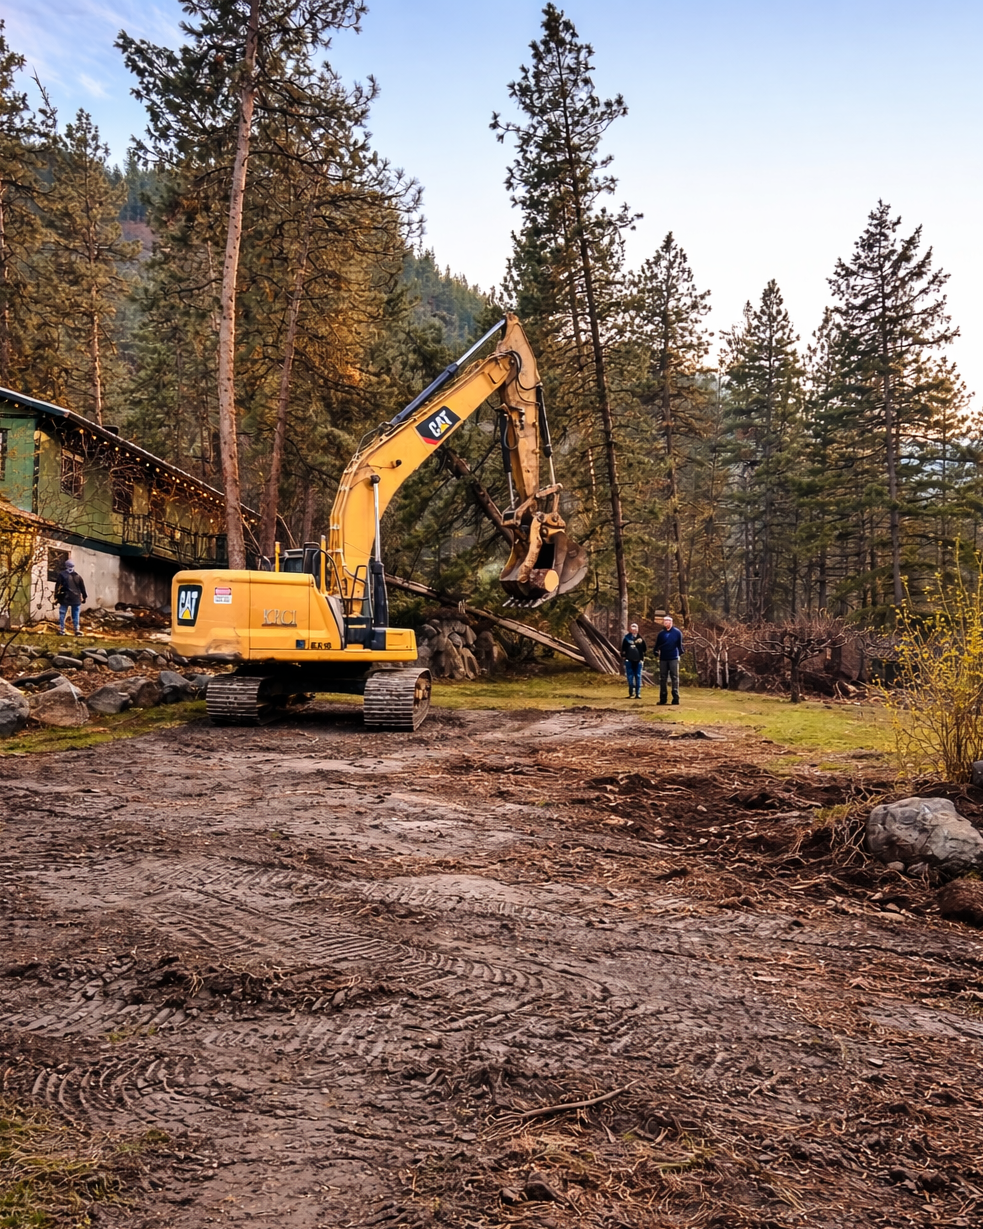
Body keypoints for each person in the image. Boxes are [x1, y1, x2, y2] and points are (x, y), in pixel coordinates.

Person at [654, 614, 683, 705]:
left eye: (668, 621)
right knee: (663, 678)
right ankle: (663, 698)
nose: (666, 623)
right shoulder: (661, 634)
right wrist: (655, 651)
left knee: (674, 677)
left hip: (673, 657)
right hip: (663, 658)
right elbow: (657, 645)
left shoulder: (677, 632)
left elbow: (680, 645)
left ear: (671, 622)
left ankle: (675, 697)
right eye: (665, 621)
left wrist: (680, 654)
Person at [54, 559, 87, 636]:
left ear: (66, 565)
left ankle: (62, 630)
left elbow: (57, 586)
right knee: (75, 614)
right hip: (76, 598)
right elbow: (83, 588)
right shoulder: (78, 576)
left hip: (65, 597)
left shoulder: (62, 575)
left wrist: (56, 596)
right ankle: (76, 630)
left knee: (62, 613)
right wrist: (84, 597)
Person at [621, 621, 647, 699]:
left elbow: (644, 649)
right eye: (632, 627)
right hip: (629, 660)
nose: (634, 629)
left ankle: (638, 693)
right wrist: (625, 657)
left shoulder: (641, 638)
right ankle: (631, 692)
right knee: (630, 676)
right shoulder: (626, 638)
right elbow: (623, 649)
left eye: (635, 627)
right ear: (630, 629)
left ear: (638, 629)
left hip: (638, 660)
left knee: (638, 676)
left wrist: (642, 658)